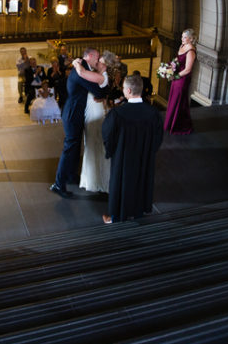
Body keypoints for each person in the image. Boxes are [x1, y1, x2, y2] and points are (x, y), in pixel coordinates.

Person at [102, 74, 164, 223]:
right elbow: (158, 137)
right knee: (141, 180)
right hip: (144, 157)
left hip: (123, 157)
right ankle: (138, 212)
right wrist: (148, 151)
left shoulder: (116, 114)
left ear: (128, 91)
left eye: (123, 88)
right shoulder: (154, 113)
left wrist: (111, 151)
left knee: (120, 182)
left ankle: (116, 216)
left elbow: (107, 134)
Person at [49, 47, 109, 198]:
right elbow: (99, 92)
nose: (98, 59)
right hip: (72, 114)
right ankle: (58, 184)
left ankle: (70, 175)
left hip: (76, 113)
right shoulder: (80, 71)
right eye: (96, 56)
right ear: (89, 56)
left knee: (76, 147)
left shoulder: (83, 67)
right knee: (70, 148)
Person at [71, 51, 118, 193]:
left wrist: (75, 62)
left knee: (93, 144)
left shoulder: (100, 76)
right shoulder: (101, 75)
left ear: (105, 66)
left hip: (95, 112)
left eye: (100, 61)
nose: (97, 62)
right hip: (93, 109)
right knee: (92, 144)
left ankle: (97, 180)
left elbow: (82, 72)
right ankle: (94, 178)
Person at [163, 28, 197, 135]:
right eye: (182, 36)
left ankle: (180, 125)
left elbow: (188, 69)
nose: (182, 39)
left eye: (185, 37)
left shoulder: (191, 51)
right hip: (177, 76)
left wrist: (175, 76)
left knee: (179, 101)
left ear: (191, 39)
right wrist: (169, 68)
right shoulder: (182, 46)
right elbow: (177, 60)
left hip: (183, 79)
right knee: (174, 98)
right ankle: (170, 123)